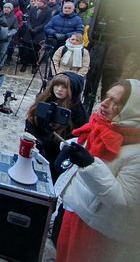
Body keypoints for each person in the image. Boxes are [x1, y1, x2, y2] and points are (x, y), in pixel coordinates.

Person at [54, 79, 140, 262]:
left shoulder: (136, 153)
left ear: (133, 110)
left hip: (96, 229)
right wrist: (67, 146)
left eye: (116, 102)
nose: (105, 103)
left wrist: (90, 166)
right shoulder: (102, 126)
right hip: (75, 208)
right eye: (107, 97)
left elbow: (125, 202)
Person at [25, 72, 88, 180]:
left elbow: (74, 139)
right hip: (36, 149)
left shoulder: (78, 113)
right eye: (57, 85)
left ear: (72, 90)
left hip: (56, 157)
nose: (59, 89)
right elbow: (32, 119)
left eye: (64, 87)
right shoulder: (45, 99)